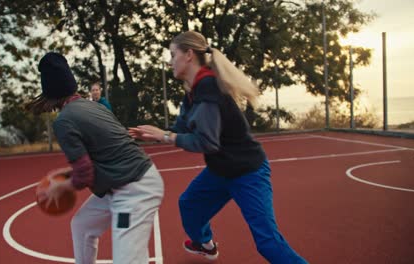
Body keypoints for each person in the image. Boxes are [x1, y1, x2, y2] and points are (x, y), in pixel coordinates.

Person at [129, 31, 307, 263]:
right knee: (189, 204)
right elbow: (182, 128)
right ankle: (206, 245)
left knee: (268, 244)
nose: (170, 61)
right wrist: (150, 134)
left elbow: (206, 142)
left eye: (173, 55)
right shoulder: (191, 91)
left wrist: (164, 136)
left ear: (189, 55)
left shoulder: (209, 89)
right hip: (220, 171)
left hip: (248, 172)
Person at [26, 52, 164, 264]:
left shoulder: (64, 121)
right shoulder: (95, 106)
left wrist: (61, 186)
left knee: (127, 261)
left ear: (48, 94)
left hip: (133, 191)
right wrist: (67, 174)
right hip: (123, 182)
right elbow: (102, 155)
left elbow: (84, 174)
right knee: (82, 225)